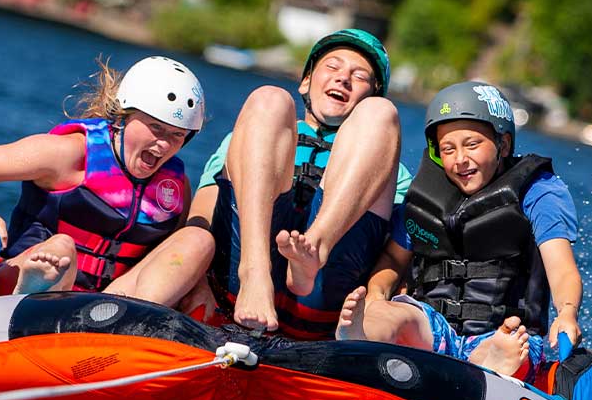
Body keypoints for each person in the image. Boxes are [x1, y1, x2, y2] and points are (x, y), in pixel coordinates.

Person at [147, 30, 412, 338]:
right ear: (306, 82)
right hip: (239, 283)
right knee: (269, 98)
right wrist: (195, 278)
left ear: (369, 94)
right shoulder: (248, 137)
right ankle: (255, 272)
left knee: (382, 114)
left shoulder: (391, 169)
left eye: (359, 76)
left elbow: (393, 255)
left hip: (324, 296)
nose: (343, 78)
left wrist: (379, 299)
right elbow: (203, 215)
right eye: (333, 66)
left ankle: (314, 249)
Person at [336, 80, 583, 379]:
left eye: (472, 144)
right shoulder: (427, 198)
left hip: (502, 330)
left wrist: (567, 312)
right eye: (448, 149)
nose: (459, 160)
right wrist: (376, 295)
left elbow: (562, 268)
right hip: (431, 327)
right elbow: (392, 259)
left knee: (509, 345)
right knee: (390, 313)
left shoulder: (538, 192)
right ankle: (361, 335)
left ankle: (489, 361)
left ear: (503, 144)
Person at [0, 56, 215, 303]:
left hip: (105, 305)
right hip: (20, 277)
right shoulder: (72, 153)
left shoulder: (174, 188)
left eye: (177, 135)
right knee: (62, 250)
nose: (165, 145)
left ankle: (121, 328)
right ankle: (31, 296)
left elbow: (169, 257)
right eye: (156, 127)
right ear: (125, 115)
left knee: (198, 241)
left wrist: (198, 284)